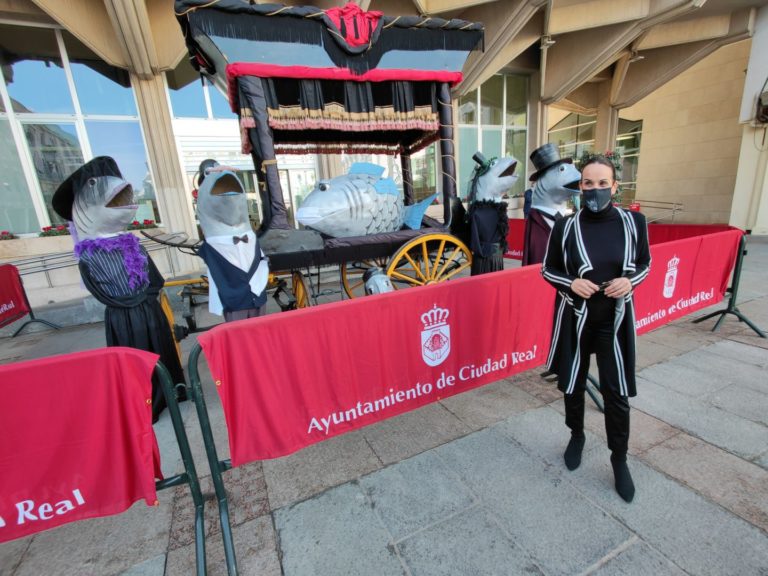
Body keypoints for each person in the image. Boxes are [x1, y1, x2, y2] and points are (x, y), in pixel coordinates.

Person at [540, 155, 650, 502]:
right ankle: (577, 435)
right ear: (580, 187)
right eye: (589, 183)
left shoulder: (634, 222)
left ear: (615, 186)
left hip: (613, 321)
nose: (596, 190)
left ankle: (620, 459)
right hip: (575, 317)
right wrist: (572, 283)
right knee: (573, 384)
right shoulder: (566, 226)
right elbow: (548, 269)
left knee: (615, 393)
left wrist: (630, 282)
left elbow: (645, 263)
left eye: (603, 183)